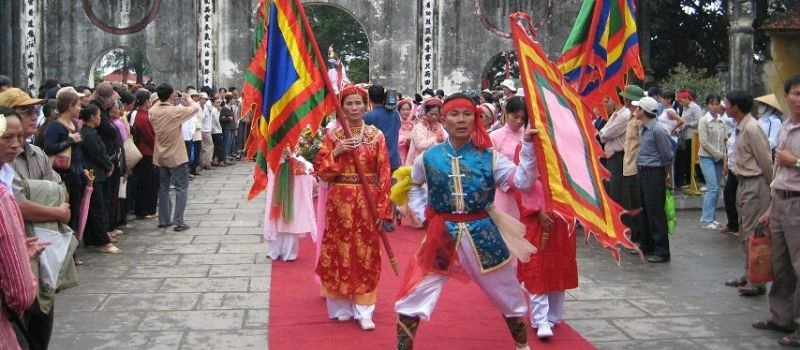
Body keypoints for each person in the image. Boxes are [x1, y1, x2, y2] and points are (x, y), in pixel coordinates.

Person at [394, 93, 539, 350]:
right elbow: (414, 184)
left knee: (509, 295)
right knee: (413, 296)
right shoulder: (428, 158)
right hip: (441, 236)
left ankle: (522, 346)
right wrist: (421, 212)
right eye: (454, 114)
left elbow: (522, 183)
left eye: (467, 114)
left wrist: (528, 147)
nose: (461, 120)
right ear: (443, 119)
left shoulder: (490, 157)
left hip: (484, 235)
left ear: (475, 119)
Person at [313, 85, 392, 331]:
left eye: (358, 103)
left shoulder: (376, 136)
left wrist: (383, 208)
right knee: (339, 250)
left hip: (367, 200)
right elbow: (322, 171)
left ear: (366, 105)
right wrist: (336, 152)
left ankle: (364, 308)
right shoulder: (332, 136)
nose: (354, 108)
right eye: (349, 103)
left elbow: (385, 174)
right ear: (342, 107)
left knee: (365, 252)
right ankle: (340, 306)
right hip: (339, 202)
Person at [751, 74, 800, 347]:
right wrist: (771, 207)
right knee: (780, 265)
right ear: (787, 96)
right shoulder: (784, 127)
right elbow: (779, 169)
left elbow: (788, 163)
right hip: (780, 201)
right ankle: (781, 317)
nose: (798, 99)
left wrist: (797, 161)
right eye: (795, 93)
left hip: (798, 203)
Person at [723, 90, 773, 296]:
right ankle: (748, 273)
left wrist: (773, 188)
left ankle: (757, 280)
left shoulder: (753, 129)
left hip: (755, 183)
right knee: (745, 231)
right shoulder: (740, 127)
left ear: (736, 107)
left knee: (754, 232)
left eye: (727, 103)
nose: (724, 106)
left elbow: (766, 161)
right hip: (742, 182)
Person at [0, 113, 41, 350]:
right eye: (7, 137)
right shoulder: (3, 197)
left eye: (19, 137)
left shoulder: (8, 173)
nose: (16, 143)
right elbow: (21, 293)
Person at [149, 83, 200, 232]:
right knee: (181, 188)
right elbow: (195, 108)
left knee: (163, 188)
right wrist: (188, 99)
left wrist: (169, 98)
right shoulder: (175, 111)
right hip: (176, 154)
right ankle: (179, 221)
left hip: (160, 154)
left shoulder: (152, 110)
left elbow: (160, 103)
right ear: (171, 95)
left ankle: (164, 219)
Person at [632, 96, 673, 263]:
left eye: (638, 108)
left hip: (654, 172)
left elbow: (667, 156)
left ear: (644, 111)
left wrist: (667, 176)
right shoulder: (644, 128)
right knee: (644, 210)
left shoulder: (658, 130)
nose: (636, 111)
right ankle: (647, 245)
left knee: (655, 211)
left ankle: (662, 250)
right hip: (643, 171)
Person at [264, 148, 316, 261]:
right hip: (278, 168)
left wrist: (296, 153)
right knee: (277, 212)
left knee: (294, 211)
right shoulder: (273, 132)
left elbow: (308, 146)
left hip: (297, 173)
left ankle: (289, 251)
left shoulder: (302, 132)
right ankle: (275, 249)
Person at [619, 85, 646, 255]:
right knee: (630, 204)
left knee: (637, 206)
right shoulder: (630, 116)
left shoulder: (639, 120)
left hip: (636, 167)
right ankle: (634, 235)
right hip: (628, 165)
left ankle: (639, 238)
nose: (624, 100)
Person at [490, 95, 526, 219]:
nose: (519, 121)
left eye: (523, 118)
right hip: (502, 191)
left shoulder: (528, 137)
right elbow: (489, 165)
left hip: (525, 193)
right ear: (506, 113)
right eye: (515, 116)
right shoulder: (495, 137)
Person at [697, 94, 727, 230]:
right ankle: (706, 219)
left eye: (717, 104)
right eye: (712, 104)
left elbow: (724, 142)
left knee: (716, 189)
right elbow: (704, 142)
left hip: (719, 159)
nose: (714, 107)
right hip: (706, 157)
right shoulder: (704, 121)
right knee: (712, 188)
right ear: (707, 105)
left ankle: (712, 218)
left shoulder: (722, 122)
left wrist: (724, 158)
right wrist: (719, 155)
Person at [598, 92, 633, 204]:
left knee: (616, 192)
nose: (604, 103)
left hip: (618, 156)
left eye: (607, 100)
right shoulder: (615, 114)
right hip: (610, 156)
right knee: (610, 190)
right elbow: (602, 131)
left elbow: (605, 134)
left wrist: (603, 133)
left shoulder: (624, 115)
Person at [130, 90, 158, 219]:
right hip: (146, 152)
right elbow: (150, 137)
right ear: (146, 101)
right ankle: (143, 210)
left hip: (143, 150)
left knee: (144, 181)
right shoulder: (143, 117)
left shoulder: (138, 115)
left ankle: (142, 209)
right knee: (146, 182)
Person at [405, 98, 446, 165]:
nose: (434, 117)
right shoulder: (419, 127)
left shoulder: (439, 126)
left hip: (435, 162)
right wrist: (436, 138)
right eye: (431, 114)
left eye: (436, 114)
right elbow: (420, 145)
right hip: (418, 162)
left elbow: (446, 140)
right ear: (426, 113)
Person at [676, 90, 703, 189]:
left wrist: (688, 125)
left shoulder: (695, 107)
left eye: (681, 100)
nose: (680, 102)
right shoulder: (685, 108)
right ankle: (689, 180)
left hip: (693, 136)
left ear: (687, 98)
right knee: (687, 159)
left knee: (692, 159)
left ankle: (698, 180)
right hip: (686, 136)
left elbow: (699, 120)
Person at [755, 93, 784, 160]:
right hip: (757, 155)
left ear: (769, 107)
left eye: (762, 104)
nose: (759, 106)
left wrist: (757, 148)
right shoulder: (760, 120)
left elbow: (772, 142)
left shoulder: (775, 121)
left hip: (768, 156)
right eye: (759, 104)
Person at [397, 99, 415, 164]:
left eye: (408, 109)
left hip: (411, 153)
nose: (406, 112)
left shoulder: (412, 124)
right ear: (399, 111)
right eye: (403, 110)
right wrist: (405, 140)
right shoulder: (396, 123)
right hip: (400, 154)